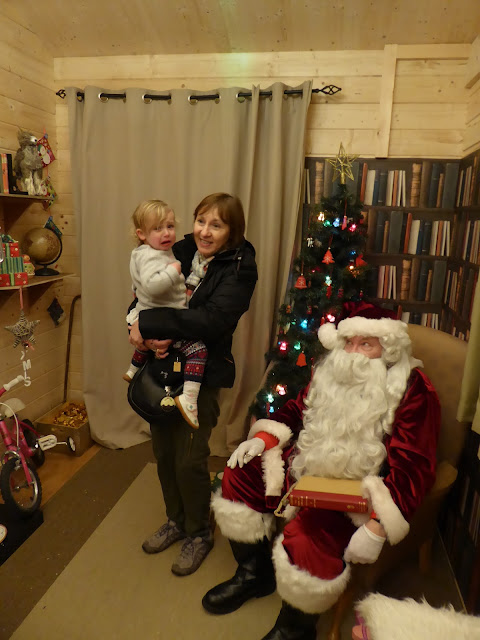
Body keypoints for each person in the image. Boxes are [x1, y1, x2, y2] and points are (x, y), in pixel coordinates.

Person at [202, 301, 440, 640]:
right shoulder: (330, 372)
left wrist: (378, 525)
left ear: (387, 348)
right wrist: (264, 438)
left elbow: (415, 466)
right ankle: (254, 573)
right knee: (239, 475)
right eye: (348, 342)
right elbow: (297, 408)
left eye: (366, 344)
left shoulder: (413, 389)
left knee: (310, 537)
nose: (353, 353)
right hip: (306, 465)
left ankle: (296, 627)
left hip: (356, 489)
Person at [128, 192, 258, 576]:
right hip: (162, 369)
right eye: (201, 221)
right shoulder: (181, 247)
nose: (204, 231)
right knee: (164, 453)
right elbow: (145, 291)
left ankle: (199, 533)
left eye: (216, 225)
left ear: (232, 231)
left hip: (202, 373)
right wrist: (136, 325)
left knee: (188, 459)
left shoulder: (241, 267)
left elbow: (212, 321)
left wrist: (150, 324)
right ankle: (176, 520)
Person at [125, 199, 209, 428]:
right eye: (157, 228)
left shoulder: (141, 253)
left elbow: (137, 285)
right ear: (142, 234)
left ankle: (133, 369)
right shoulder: (155, 256)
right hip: (163, 318)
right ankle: (189, 398)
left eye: (170, 226)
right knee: (198, 350)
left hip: (152, 315)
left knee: (151, 344)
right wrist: (174, 271)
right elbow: (152, 286)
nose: (166, 233)